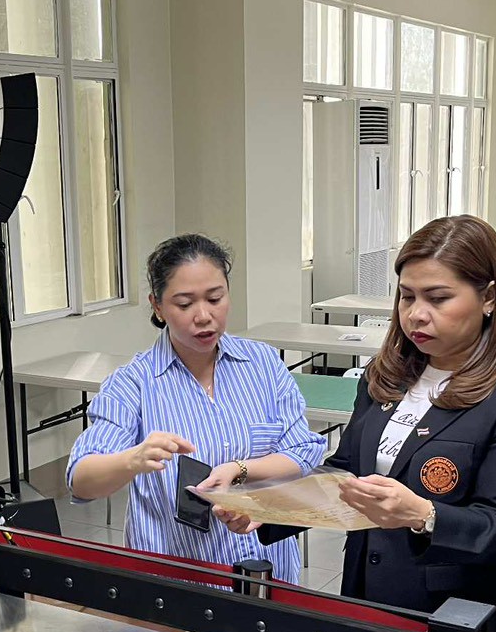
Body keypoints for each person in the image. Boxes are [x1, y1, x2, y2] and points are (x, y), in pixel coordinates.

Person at [222, 217, 496, 632]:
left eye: (438, 298)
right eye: (407, 297)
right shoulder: (386, 376)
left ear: (489, 298)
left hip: (453, 617)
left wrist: (424, 515)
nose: (416, 315)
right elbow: (346, 470)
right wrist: (268, 506)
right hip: (367, 598)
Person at [67, 234, 327, 584]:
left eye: (215, 298)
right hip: (178, 582)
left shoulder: (263, 364)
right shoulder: (133, 383)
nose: (204, 316)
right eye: (185, 304)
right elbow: (80, 481)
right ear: (158, 307)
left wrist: (241, 469)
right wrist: (131, 459)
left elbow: (303, 450)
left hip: (268, 571)